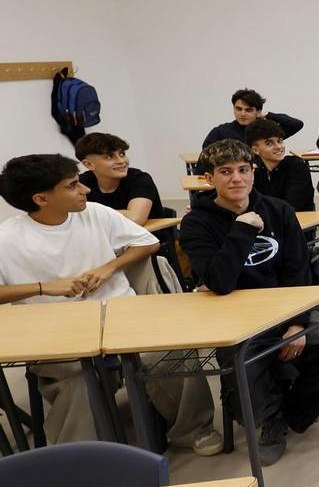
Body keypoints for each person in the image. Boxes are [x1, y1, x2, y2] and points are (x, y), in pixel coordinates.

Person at [0, 154, 220, 452]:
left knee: (168, 353)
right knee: (77, 380)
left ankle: (195, 427)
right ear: (41, 199)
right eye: (72, 185)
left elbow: (148, 242)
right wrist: (43, 287)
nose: (85, 190)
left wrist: (109, 267)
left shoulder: (94, 213)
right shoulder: (8, 238)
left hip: (120, 315)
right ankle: (86, 456)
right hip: (55, 334)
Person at [179, 140, 319, 466]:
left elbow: (298, 272)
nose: (236, 178)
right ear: (208, 178)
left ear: (253, 172)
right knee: (246, 365)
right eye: (225, 172)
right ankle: (269, 418)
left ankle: (288, 414)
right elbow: (219, 282)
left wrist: (297, 324)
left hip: (289, 309)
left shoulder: (279, 210)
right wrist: (243, 229)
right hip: (237, 318)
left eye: (243, 170)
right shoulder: (196, 223)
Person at [75, 132, 165, 224]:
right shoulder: (81, 182)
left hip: (148, 232)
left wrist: (88, 215)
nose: (121, 161)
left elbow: (135, 218)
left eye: (122, 154)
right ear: (89, 164)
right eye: (109, 157)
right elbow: (68, 215)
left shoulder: (140, 179)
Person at [246, 119, 315, 213]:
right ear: (255, 150)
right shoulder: (253, 170)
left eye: (280, 141)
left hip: (296, 219)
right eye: (269, 143)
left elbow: (292, 205)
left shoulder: (297, 166)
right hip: (262, 219)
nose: (278, 147)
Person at [202, 88, 303, 149]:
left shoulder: (267, 131)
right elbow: (204, 161)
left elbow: (296, 124)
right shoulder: (220, 132)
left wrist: (267, 114)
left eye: (248, 110)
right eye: (238, 109)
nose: (242, 114)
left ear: (258, 112)